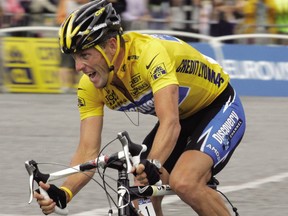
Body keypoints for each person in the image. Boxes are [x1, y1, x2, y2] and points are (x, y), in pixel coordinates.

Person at [34, 0, 246, 215]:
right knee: (139, 193)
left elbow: (170, 122)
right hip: (182, 118)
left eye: (85, 55)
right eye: (74, 57)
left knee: (185, 181)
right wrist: (64, 192)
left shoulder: (149, 54)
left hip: (218, 106)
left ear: (112, 46)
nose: (78, 67)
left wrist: (154, 163)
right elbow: (88, 150)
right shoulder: (89, 85)